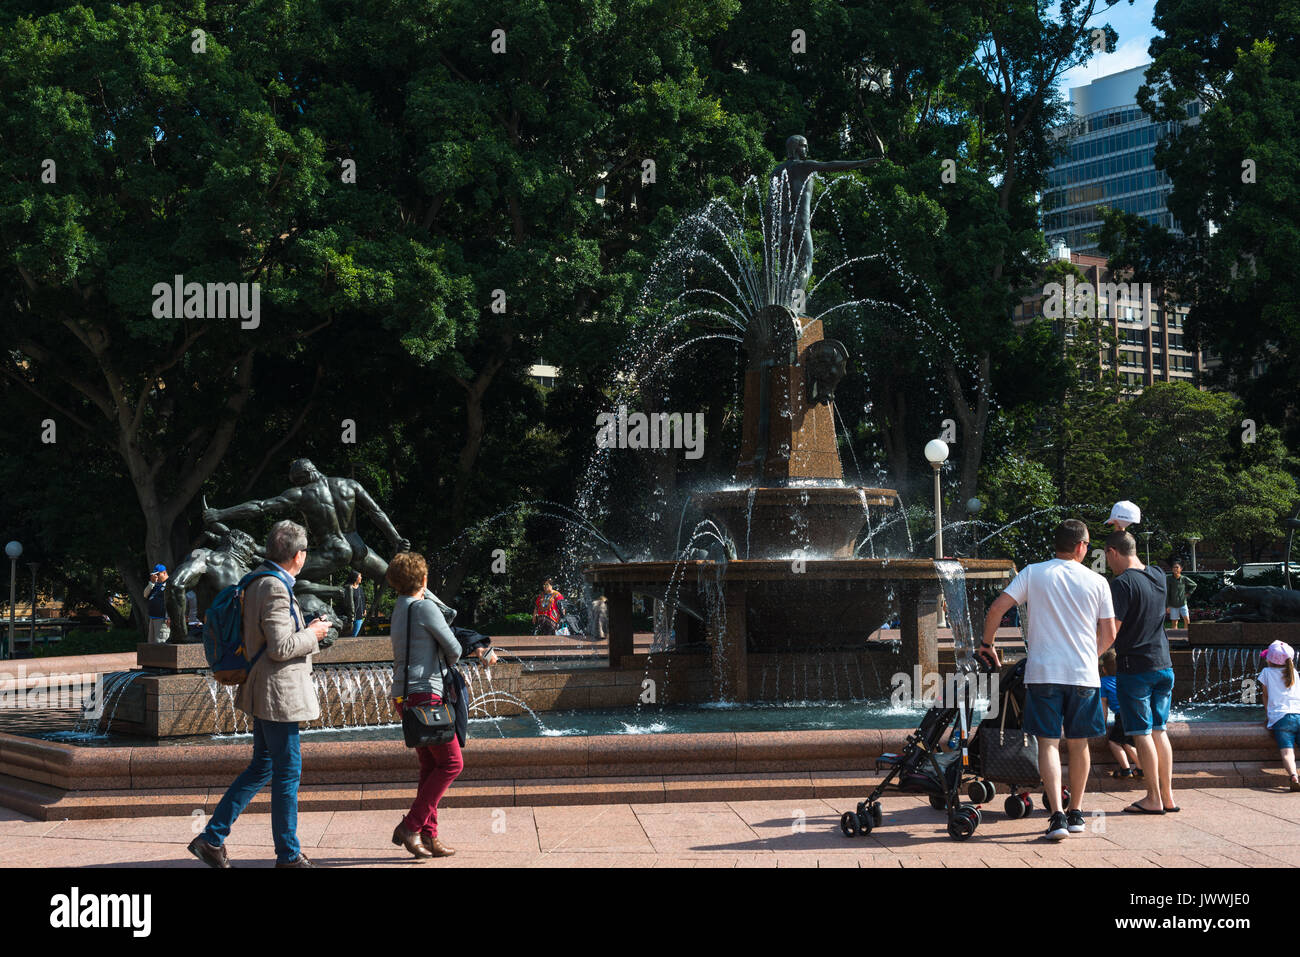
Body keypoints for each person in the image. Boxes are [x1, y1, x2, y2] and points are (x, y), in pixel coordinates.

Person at [187, 520, 332, 868]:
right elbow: (281, 647)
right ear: (298, 555)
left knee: (262, 767)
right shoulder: (274, 588)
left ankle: (211, 839)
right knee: (287, 774)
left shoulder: (257, 581)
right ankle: (288, 854)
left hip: (263, 689)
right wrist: (315, 633)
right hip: (277, 694)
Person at [980, 519, 1117, 841]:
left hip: (1043, 674)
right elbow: (1110, 633)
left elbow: (997, 608)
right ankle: (1077, 813)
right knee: (1080, 744)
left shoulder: (1033, 572)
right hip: (1084, 675)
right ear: (1082, 546)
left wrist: (987, 644)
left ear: (1056, 545)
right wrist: (1089, 654)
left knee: (1048, 743)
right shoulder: (1097, 581)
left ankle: (1056, 816)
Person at [387, 552, 495, 859]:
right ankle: (410, 826)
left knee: (430, 765)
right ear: (423, 580)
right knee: (452, 763)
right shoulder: (425, 608)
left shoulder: (398, 609)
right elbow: (455, 649)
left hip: (403, 696)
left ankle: (429, 836)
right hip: (427, 695)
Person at [1104, 529, 1177, 813]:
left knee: (1142, 733)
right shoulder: (1158, 574)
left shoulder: (1121, 584)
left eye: (1107, 557)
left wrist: (1091, 655)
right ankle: (1168, 797)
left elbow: (1112, 630)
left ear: (1112, 552)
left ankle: (1153, 798)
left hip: (1135, 668)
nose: (1108, 564)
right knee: (1160, 731)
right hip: (1164, 665)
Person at [1256, 640, 1300, 792]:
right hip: (1298, 714)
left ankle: (1294, 775)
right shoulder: (1293, 672)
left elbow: (1266, 696)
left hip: (1281, 718)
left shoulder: (1266, 673)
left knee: (1287, 752)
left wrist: (1268, 715)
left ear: (1269, 659)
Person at [1099, 651, 1142, 780]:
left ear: (1103, 669)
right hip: (1135, 712)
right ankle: (1141, 769)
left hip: (1122, 716)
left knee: (1114, 742)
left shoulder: (1103, 682)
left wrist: (1103, 724)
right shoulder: (1126, 678)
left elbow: (1103, 706)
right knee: (1127, 742)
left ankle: (1126, 769)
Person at [143, 564, 170, 643]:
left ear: (164, 573)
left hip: (163, 619)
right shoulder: (155, 584)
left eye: (158, 574)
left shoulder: (170, 583)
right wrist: (151, 583)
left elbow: (172, 601)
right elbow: (145, 595)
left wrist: (169, 616)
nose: (156, 577)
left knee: (160, 643)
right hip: (153, 617)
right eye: (154, 575)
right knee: (151, 643)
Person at [1165, 561, 1196, 629]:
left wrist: (1189, 593)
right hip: (1172, 605)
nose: (1175, 569)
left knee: (1187, 620)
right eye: (1174, 567)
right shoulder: (1168, 579)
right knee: (1174, 622)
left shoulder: (1184, 578)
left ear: (1181, 569)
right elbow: (1167, 593)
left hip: (1183, 604)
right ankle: (1175, 637)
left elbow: (1194, 585)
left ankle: (1187, 635)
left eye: (1177, 567)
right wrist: (1167, 606)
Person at [346, 570, 367, 637]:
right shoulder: (348, 588)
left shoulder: (360, 589)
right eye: (360, 576)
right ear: (355, 578)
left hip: (359, 616)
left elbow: (363, 600)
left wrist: (364, 609)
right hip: (349, 616)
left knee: (356, 634)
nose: (361, 577)